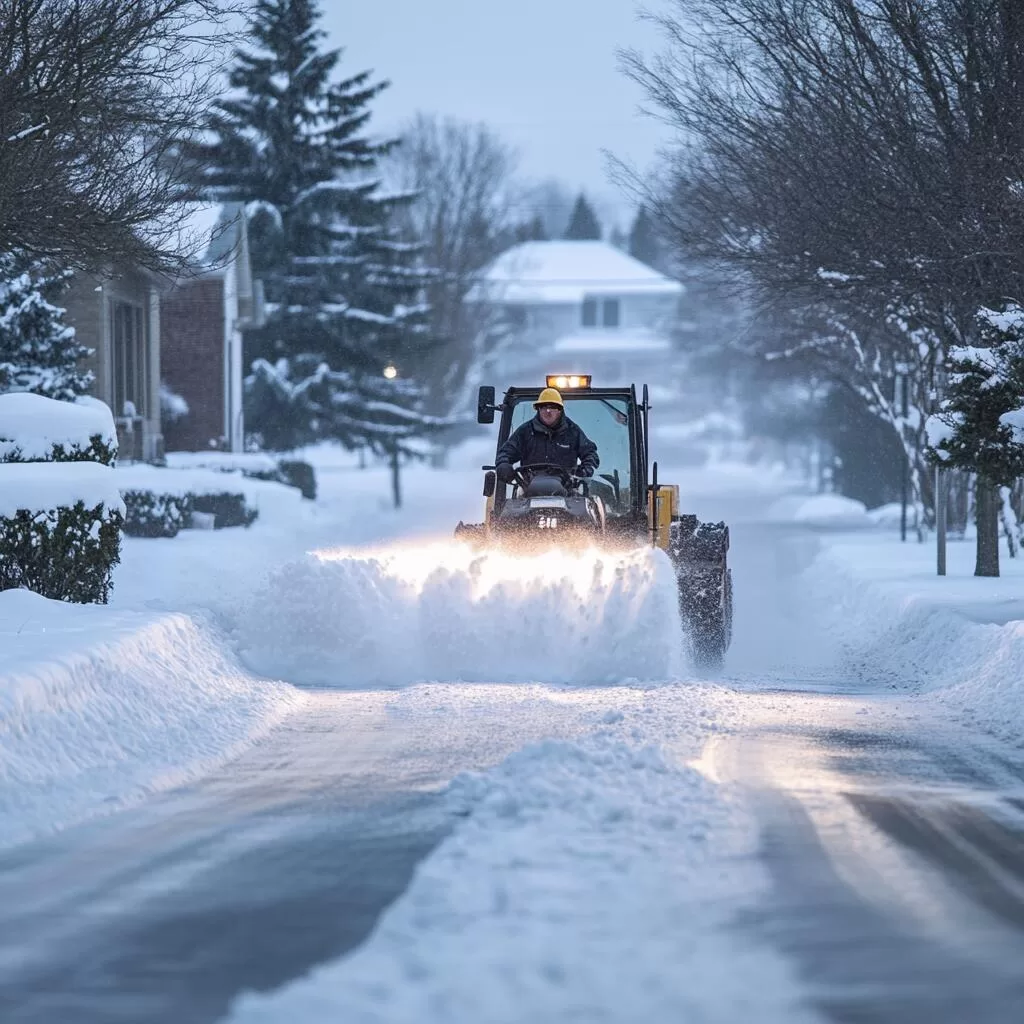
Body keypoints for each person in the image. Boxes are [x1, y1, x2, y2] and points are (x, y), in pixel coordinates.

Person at [495, 387, 599, 486]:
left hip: (568, 490)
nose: (548, 411)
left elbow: (589, 452)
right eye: (544, 407)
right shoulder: (525, 432)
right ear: (538, 409)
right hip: (528, 488)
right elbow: (506, 451)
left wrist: (586, 468)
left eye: (553, 407)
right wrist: (503, 464)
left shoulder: (572, 432)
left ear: (560, 410)